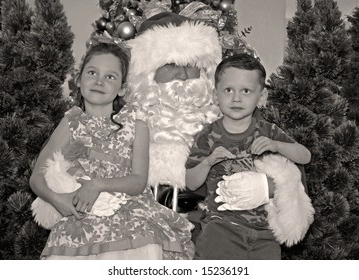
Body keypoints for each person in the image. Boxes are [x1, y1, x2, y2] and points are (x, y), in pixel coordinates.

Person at [29, 41, 194, 260]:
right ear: (79, 79)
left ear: (123, 88)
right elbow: (37, 176)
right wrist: (57, 199)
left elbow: (138, 181)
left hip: (130, 213)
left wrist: (98, 185)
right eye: (92, 72)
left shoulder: (137, 122)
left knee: (138, 243)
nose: (99, 81)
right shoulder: (71, 122)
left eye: (110, 77)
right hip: (81, 216)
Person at [185, 53, 314, 259]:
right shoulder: (207, 136)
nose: (236, 98)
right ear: (216, 95)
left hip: (266, 235)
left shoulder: (268, 131)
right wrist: (208, 162)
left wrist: (277, 145)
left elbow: (304, 156)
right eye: (228, 90)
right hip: (220, 230)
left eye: (246, 91)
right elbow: (191, 183)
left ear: (261, 97)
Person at [126, 12, 222, 210]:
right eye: (171, 65)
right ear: (148, 76)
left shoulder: (225, 121)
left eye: (190, 65)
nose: (182, 75)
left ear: (206, 72)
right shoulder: (125, 124)